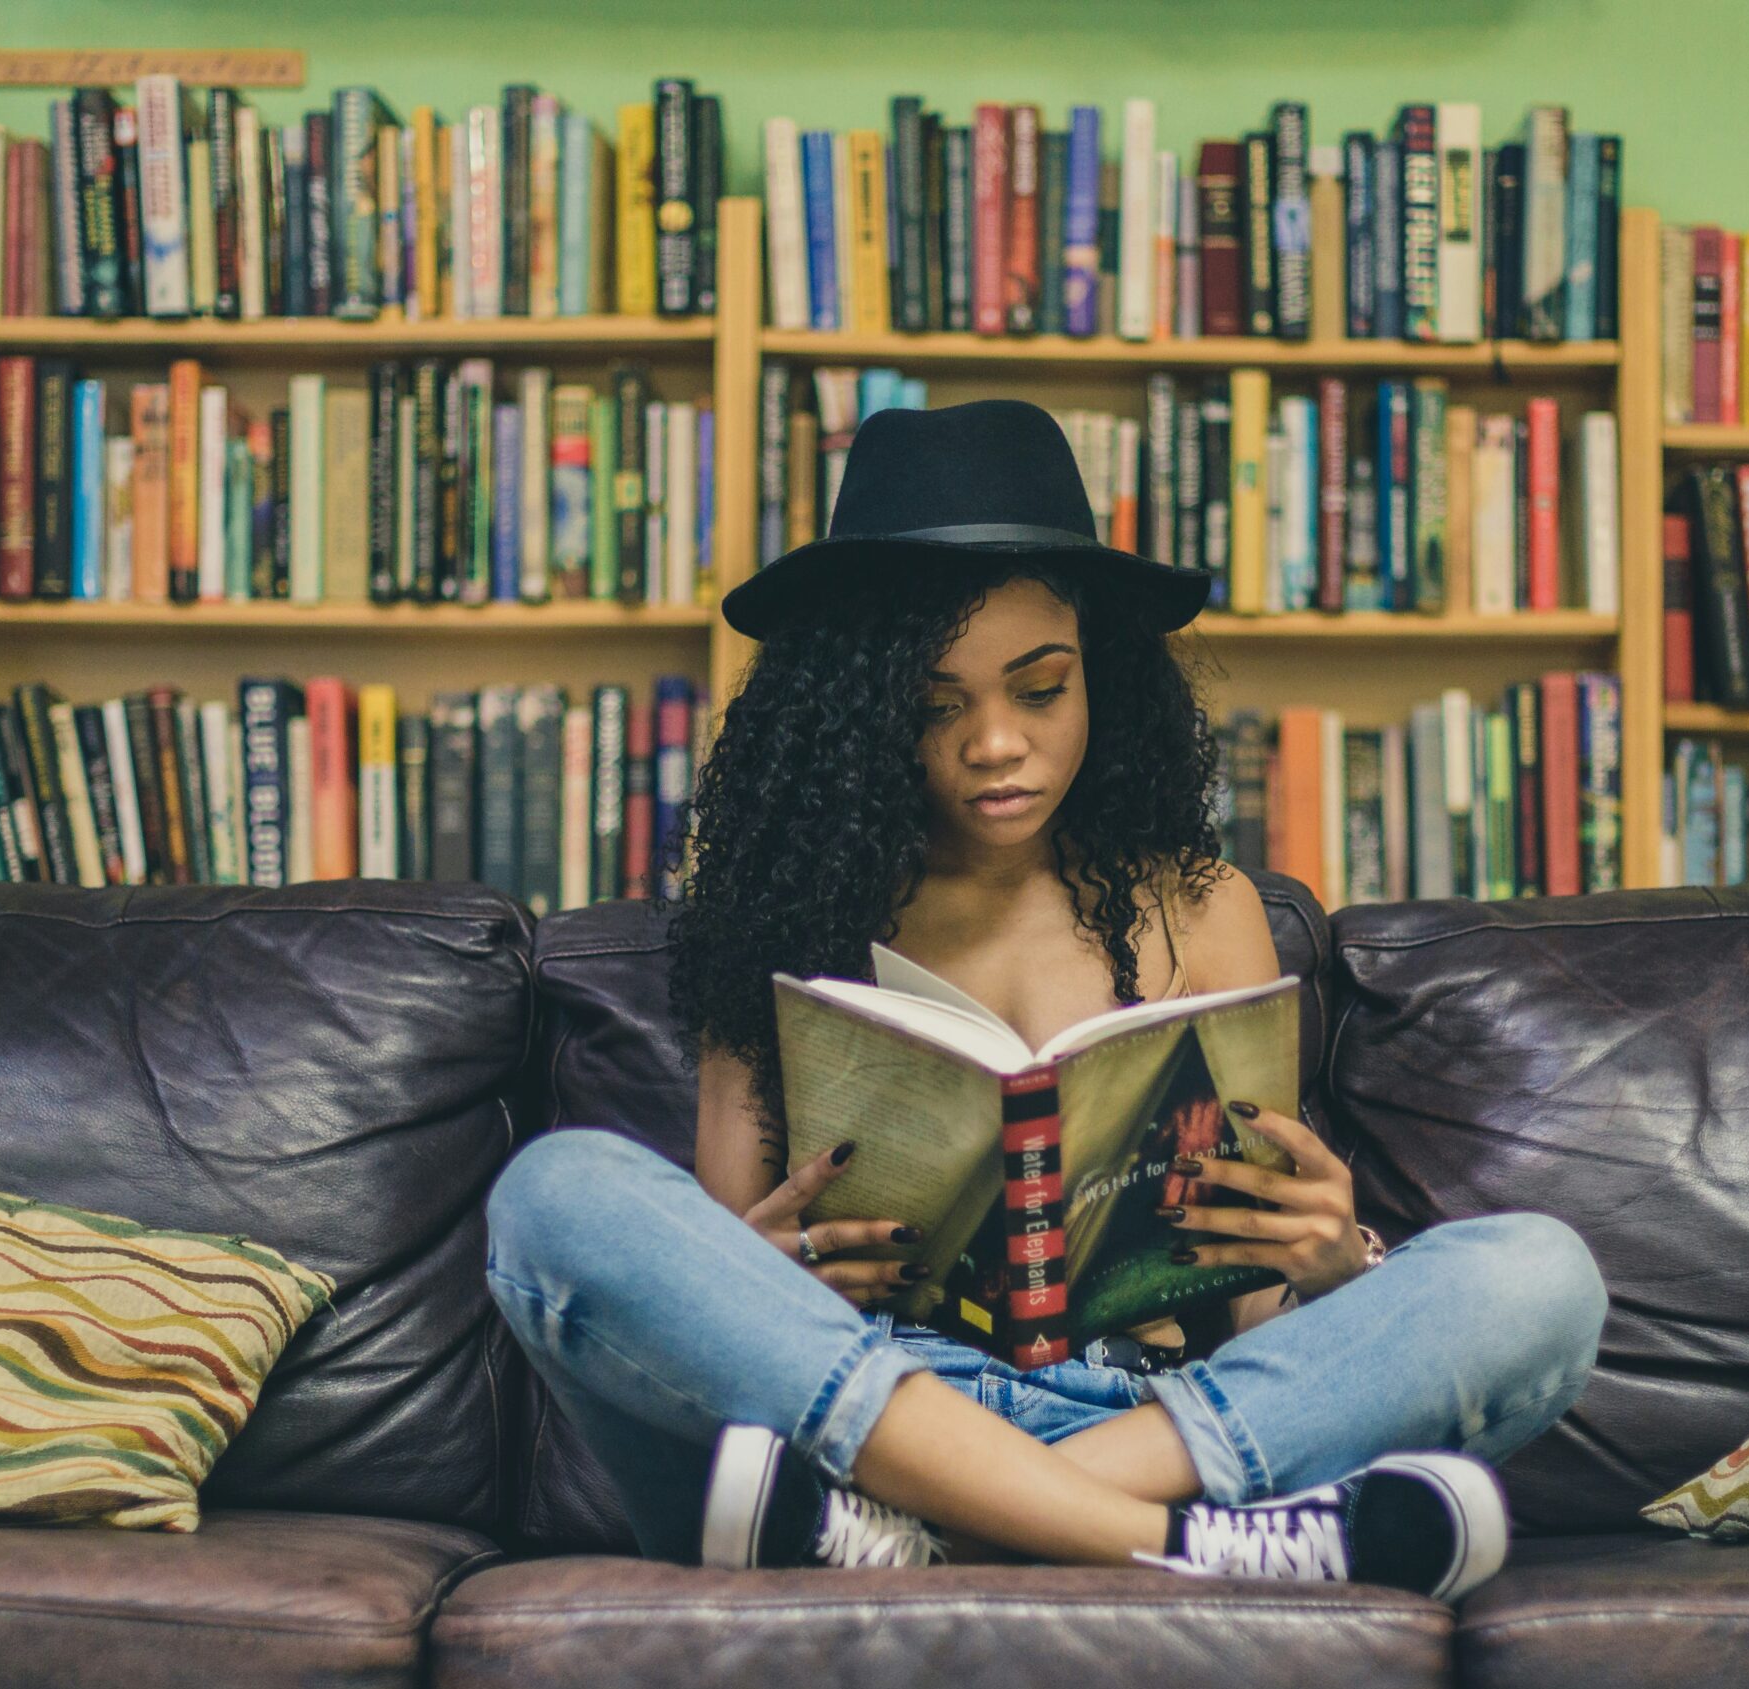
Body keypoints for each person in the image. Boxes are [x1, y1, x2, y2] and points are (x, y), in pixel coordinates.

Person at [483, 399, 1606, 1600]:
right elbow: (720, 1300)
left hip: (1151, 1415)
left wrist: (1335, 1262)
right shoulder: (774, 915)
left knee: (1541, 1277)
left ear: (1101, 683)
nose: (994, 744)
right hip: (856, 1413)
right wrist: (759, 1268)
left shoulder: (1204, 907)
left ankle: (954, 1532)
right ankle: (1178, 1547)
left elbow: (1255, 1320)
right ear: (860, 715)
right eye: (934, 704)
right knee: (556, 1197)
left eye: (1039, 688)